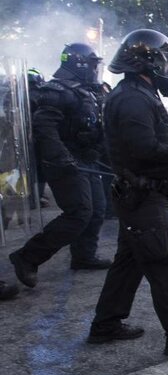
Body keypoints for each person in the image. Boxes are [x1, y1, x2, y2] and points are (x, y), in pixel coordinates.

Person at [86, 28, 168, 361]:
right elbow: (143, 149)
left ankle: (105, 324)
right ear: (148, 62)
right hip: (142, 197)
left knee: (128, 263)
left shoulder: (140, 92)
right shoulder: (131, 98)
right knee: (163, 264)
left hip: (140, 195)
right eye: (165, 62)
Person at [8, 43, 111, 288]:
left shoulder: (86, 90)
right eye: (93, 65)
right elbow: (45, 128)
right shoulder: (57, 90)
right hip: (63, 162)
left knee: (97, 209)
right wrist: (62, 159)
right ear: (79, 64)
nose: (96, 70)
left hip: (85, 158)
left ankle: (83, 255)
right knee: (78, 213)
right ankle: (26, 257)